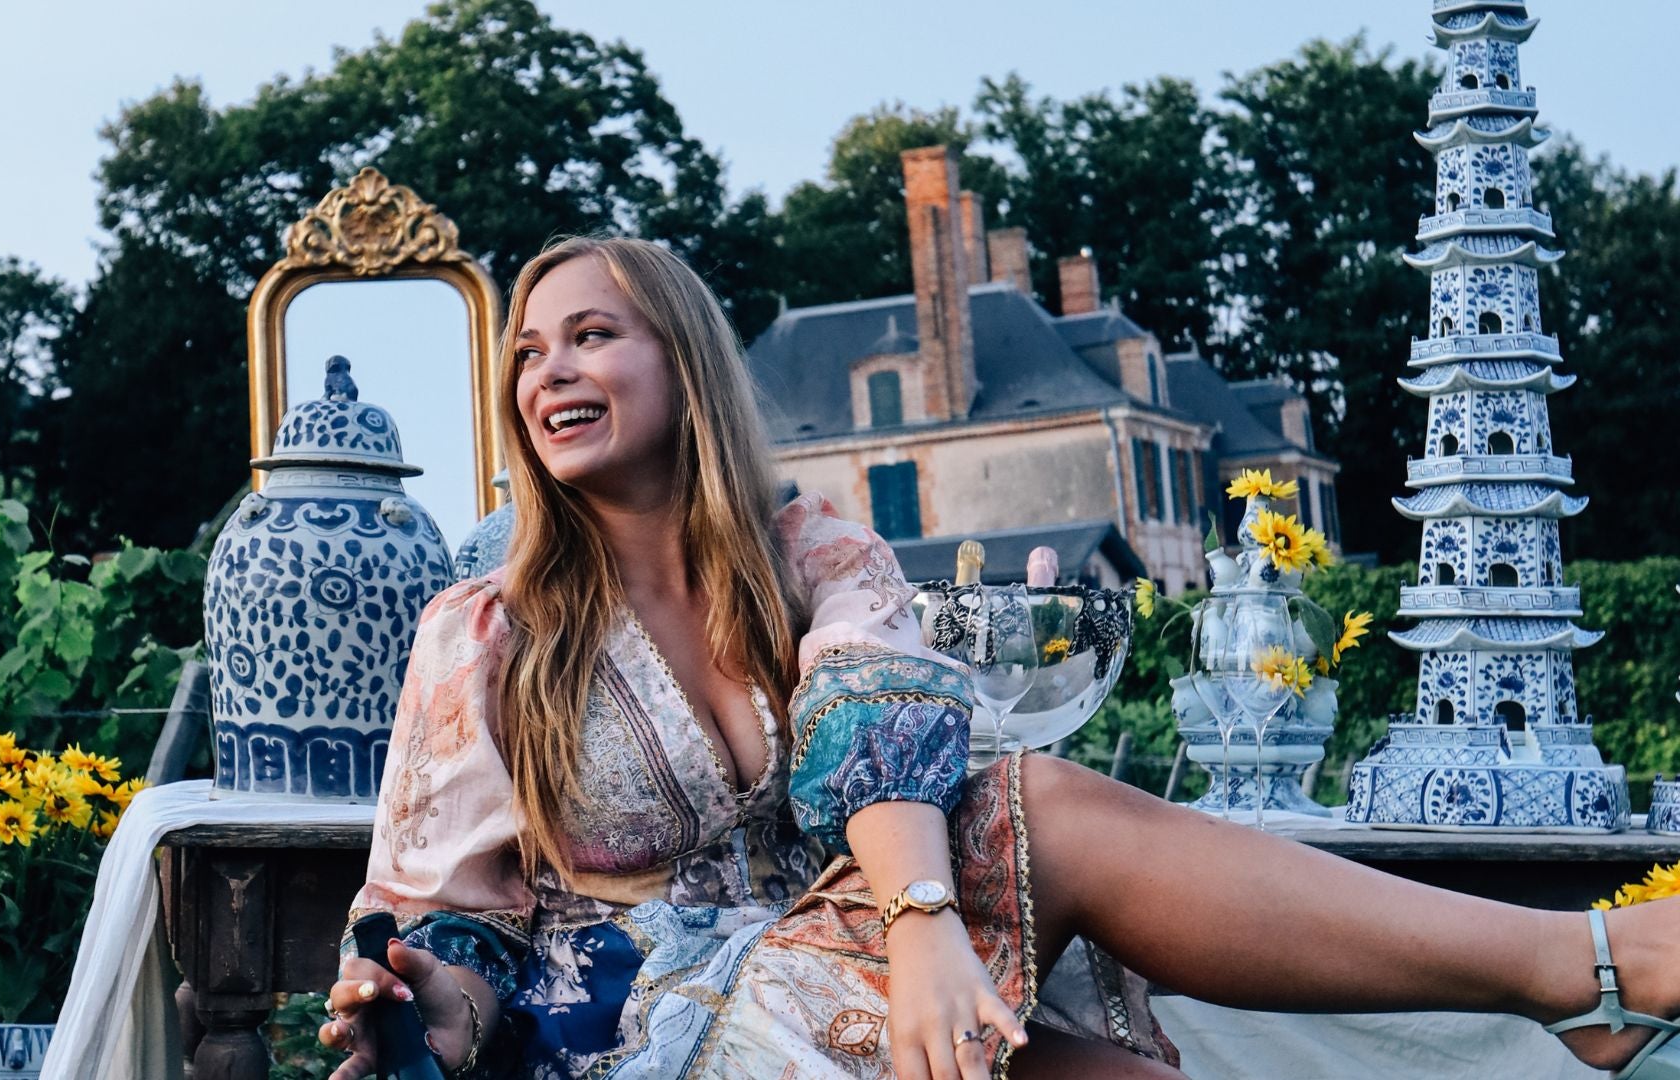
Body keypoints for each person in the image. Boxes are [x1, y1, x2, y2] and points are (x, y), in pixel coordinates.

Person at [317, 235, 1680, 1080]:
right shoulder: (485, 631)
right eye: (528, 351)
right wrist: (422, 1003)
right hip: (628, 1042)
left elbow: (877, 723)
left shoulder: (815, 552)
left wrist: (918, 931)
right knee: (1034, 814)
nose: (548, 370)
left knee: (1038, 845)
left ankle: (1581, 979)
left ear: (686, 365)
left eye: (592, 334)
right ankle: (1579, 966)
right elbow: (451, 923)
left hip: (844, 963)